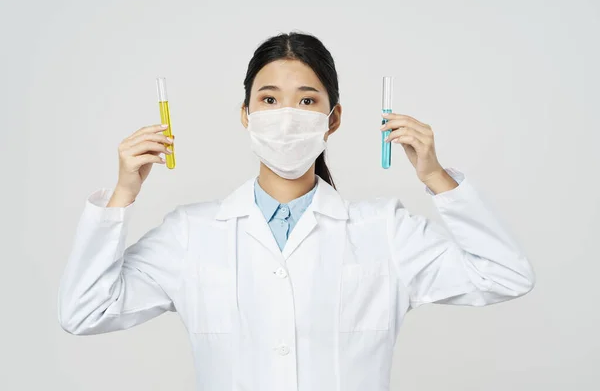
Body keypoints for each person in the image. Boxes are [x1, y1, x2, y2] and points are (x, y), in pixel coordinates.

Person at [58, 31, 535, 391]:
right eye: (269, 99)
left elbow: (504, 276)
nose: (286, 115)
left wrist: (436, 178)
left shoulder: (383, 229)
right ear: (246, 114)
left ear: (334, 118)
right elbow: (84, 311)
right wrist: (123, 193)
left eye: (307, 100)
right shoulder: (192, 233)